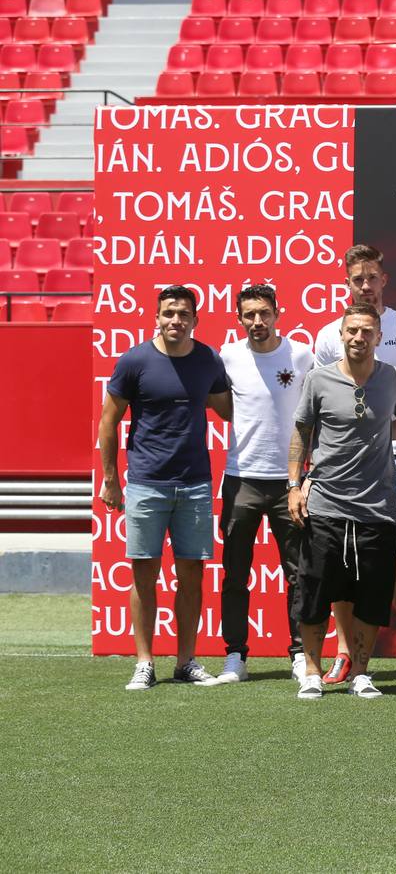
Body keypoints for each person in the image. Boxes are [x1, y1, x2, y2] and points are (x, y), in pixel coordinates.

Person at [313, 244, 396, 686]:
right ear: (346, 283)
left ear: (385, 280)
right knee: (342, 564)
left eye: (371, 278)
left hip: (394, 466)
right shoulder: (330, 334)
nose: (364, 286)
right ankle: (345, 652)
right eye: (356, 280)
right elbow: (323, 404)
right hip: (342, 472)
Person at [97, 285, 231, 691]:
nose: (176, 320)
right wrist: (110, 478)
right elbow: (108, 421)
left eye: (184, 314)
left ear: (195, 319)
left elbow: (227, 408)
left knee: (192, 574)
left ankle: (186, 661)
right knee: (144, 574)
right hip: (144, 484)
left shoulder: (209, 359)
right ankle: (144, 662)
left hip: (194, 483)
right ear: (157, 317)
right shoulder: (134, 360)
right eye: (169, 313)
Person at [289, 304, 396, 700]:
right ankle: (311, 670)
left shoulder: (393, 379)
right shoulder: (318, 379)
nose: (359, 338)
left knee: (372, 593)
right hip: (325, 502)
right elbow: (301, 431)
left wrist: (375, 437)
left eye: (367, 332)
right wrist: (295, 484)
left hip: (379, 506)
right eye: (352, 331)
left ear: (379, 337)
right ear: (341, 336)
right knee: (315, 590)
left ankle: (361, 672)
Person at [217, 284, 314, 684]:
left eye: (264, 313)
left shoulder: (302, 354)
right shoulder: (227, 356)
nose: (257, 322)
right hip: (241, 479)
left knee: (297, 572)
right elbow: (223, 408)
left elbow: (314, 414)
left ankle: (298, 652)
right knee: (236, 572)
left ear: (278, 313)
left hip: (288, 483)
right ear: (239, 318)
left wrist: (303, 478)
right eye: (249, 315)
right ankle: (235, 655)